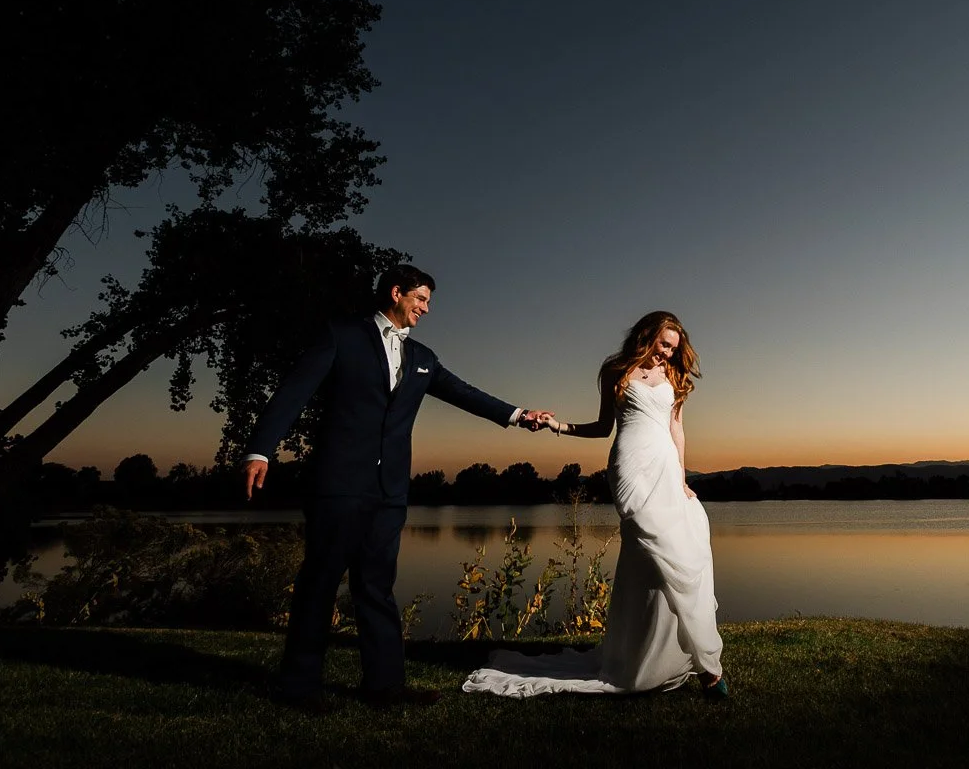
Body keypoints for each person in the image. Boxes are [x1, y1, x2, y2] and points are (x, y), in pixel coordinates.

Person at [242, 264, 551, 713]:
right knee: (320, 583)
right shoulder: (342, 336)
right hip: (339, 484)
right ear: (396, 293)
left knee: (376, 586)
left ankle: (384, 685)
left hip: (389, 491)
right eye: (420, 299)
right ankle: (298, 687)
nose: (426, 309)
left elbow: (465, 393)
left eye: (428, 302)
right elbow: (294, 392)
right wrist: (260, 450)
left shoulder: (422, 356)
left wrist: (520, 415)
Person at [462, 310, 726, 698]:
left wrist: (682, 478)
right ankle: (680, 665)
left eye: (673, 348)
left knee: (679, 555)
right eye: (663, 344)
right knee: (650, 554)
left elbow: (676, 428)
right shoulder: (615, 370)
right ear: (647, 336)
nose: (667, 353)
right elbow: (603, 428)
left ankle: (678, 658)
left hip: (666, 468)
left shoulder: (674, 375)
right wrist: (558, 426)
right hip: (630, 468)